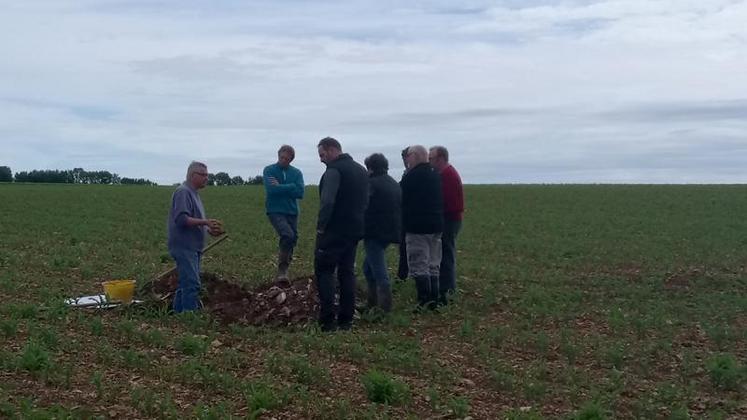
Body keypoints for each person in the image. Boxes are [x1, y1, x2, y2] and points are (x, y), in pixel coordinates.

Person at [314, 137, 369, 331]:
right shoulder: (361, 170)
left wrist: (321, 227)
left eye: (322, 154)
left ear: (331, 150)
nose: (321, 159)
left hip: (334, 231)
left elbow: (327, 202)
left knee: (325, 271)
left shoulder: (334, 171)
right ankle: (346, 320)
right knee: (347, 272)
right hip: (354, 230)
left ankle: (327, 321)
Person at [167, 161, 223, 313]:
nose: (207, 178)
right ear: (193, 175)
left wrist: (208, 230)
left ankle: (179, 314)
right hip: (184, 246)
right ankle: (189, 317)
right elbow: (181, 219)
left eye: (207, 175)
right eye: (203, 175)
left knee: (185, 283)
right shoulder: (183, 192)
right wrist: (206, 222)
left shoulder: (194, 193)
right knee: (192, 283)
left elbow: (194, 221)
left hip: (193, 247)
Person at [400, 145, 443, 311]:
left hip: (418, 226)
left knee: (419, 263)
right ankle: (434, 300)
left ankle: (423, 301)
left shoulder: (413, 176)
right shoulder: (435, 174)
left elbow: (401, 198)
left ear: (415, 156)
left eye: (408, 156)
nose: (407, 160)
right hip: (436, 225)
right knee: (433, 264)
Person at [362, 153, 402, 313]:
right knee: (367, 267)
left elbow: (364, 205)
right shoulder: (393, 183)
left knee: (379, 271)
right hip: (391, 230)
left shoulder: (372, 184)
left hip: (374, 232)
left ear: (370, 168)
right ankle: (371, 301)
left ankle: (384, 307)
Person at [263, 145, 305, 287]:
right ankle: (282, 270)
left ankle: (284, 271)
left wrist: (281, 186)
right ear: (278, 155)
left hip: (292, 211)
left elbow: (300, 192)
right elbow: (271, 190)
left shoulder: (297, 173)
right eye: (282, 157)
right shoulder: (269, 170)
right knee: (287, 235)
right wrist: (291, 186)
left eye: (287, 159)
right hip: (275, 210)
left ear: (291, 160)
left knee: (293, 238)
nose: (283, 160)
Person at [429, 146, 464, 305]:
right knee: (443, 254)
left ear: (441, 158)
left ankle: (447, 290)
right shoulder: (443, 174)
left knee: (446, 255)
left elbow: (451, 203)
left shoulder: (448, 175)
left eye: (431, 158)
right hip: (448, 219)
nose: (429, 161)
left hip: (449, 220)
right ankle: (445, 289)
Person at [397, 147, 410, 281]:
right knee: (403, 248)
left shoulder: (413, 173)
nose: (405, 161)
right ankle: (403, 274)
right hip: (404, 216)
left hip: (410, 217)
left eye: (406, 157)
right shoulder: (407, 172)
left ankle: (403, 275)